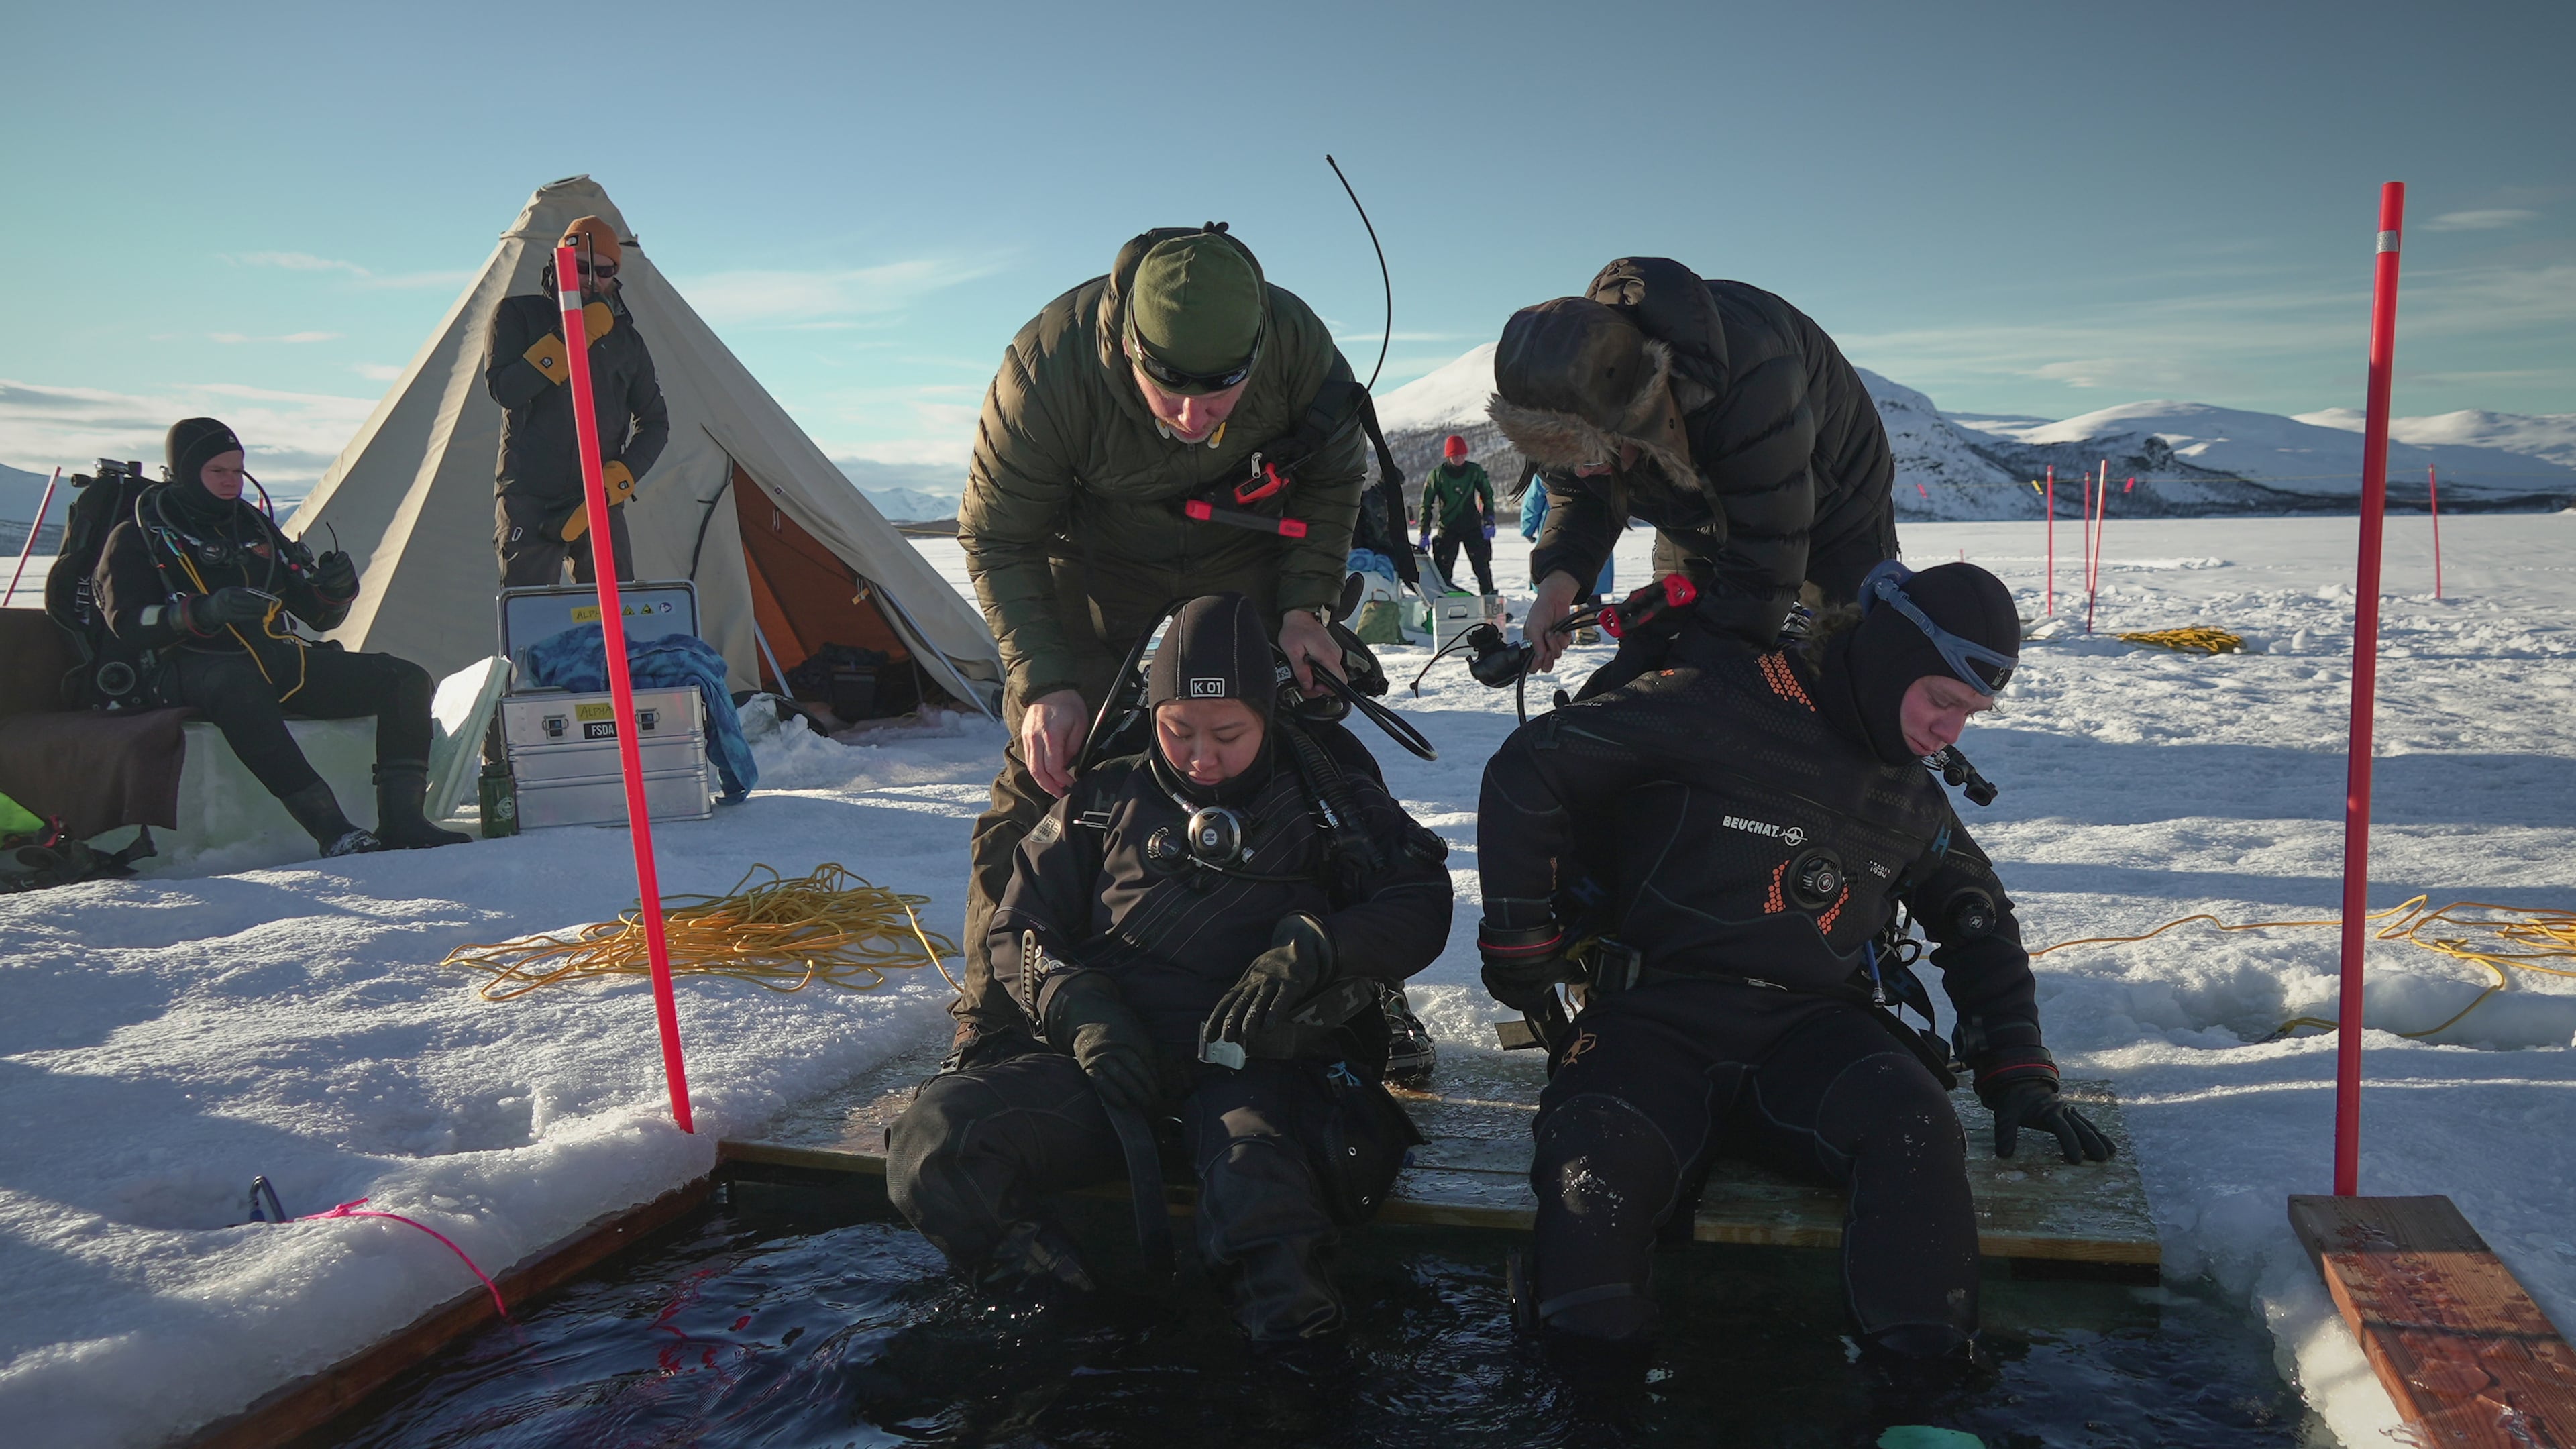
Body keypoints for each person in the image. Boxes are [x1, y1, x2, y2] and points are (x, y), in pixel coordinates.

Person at [1473, 561, 2110, 1393]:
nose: (1951, 731)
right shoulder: (1709, 703)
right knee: (1597, 1159)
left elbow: (1977, 918)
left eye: (1970, 713)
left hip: (1810, 1035)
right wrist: (1522, 943)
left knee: (1916, 1122)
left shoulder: (1909, 797)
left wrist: (2017, 1068)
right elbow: (1529, 769)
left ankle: (1925, 1396)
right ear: (1888, 662)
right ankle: (1588, 1394)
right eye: (1941, 700)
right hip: (1653, 1019)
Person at [888, 593, 1453, 1357]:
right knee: (936, 1143)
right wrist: (1079, 1009)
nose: (1200, 757)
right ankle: (1069, 1334)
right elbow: (1020, 926)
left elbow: (1419, 898)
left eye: (1229, 734)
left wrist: (1322, 947)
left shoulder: (1330, 796)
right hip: (1114, 1062)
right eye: (1177, 731)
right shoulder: (1101, 798)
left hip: (1267, 1066)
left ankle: (1300, 1390)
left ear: (1267, 715)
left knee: (1263, 1205)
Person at [952, 223, 1379, 1063]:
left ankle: (1354, 995)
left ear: (1258, 352)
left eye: (1219, 394)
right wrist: (1044, 683)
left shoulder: (1300, 347)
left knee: (1302, 756)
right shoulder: (1047, 371)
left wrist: (1305, 610)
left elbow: (1335, 481)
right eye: (1168, 390)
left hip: (1244, 555)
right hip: (1096, 566)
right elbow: (996, 535)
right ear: (1124, 345)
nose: (1192, 419)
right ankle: (992, 1015)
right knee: (1042, 776)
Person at [1487, 256, 1897, 680]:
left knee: (1842, 652)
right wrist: (1558, 583)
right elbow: (1578, 496)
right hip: (1686, 495)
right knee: (1663, 638)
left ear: (1637, 415)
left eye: (1592, 458)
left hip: (1833, 499)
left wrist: (1691, 685)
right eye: (1563, 461)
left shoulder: (1749, 374)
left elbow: (1764, 557)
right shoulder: (1574, 391)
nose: (1583, 472)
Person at [93, 419, 471, 856]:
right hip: (189, 666)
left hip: (275, 660)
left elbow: (318, 616)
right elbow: (127, 622)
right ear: (184, 471)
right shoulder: (139, 535)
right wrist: (204, 610)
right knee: (238, 685)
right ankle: (332, 829)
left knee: (405, 679)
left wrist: (335, 588)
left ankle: (405, 821)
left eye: (237, 471)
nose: (231, 481)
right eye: (218, 471)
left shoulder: (254, 528)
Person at [482, 215, 667, 588]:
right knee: (532, 620)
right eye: (582, 267)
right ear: (560, 262)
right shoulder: (518, 314)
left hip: (597, 499)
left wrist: (618, 480)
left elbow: (656, 422)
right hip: (529, 496)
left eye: (604, 271)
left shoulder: (627, 342)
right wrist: (574, 335)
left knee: (618, 614)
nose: (591, 279)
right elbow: (506, 389)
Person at [1516, 462, 1611, 645]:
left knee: (1575, 583)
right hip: (1596, 539)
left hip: (1559, 531)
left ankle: (1574, 625)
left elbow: (1532, 502)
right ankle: (1586, 628)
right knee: (1589, 584)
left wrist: (1527, 529)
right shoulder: (1604, 472)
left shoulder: (1549, 472)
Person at [1417, 434, 1496, 595]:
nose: (1459, 458)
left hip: (1472, 526)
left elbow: (1487, 495)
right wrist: (1424, 532)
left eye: (1462, 455)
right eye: (1455, 455)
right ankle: (1444, 604)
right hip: (1448, 527)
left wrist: (1489, 519)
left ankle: (1490, 604)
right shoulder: (1438, 475)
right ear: (1449, 456)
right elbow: (1426, 504)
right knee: (1443, 572)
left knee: (1482, 568)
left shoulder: (1474, 471)